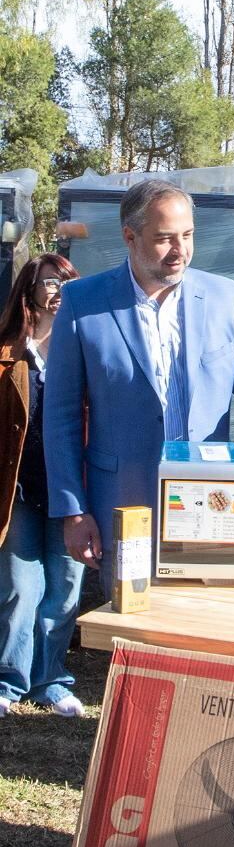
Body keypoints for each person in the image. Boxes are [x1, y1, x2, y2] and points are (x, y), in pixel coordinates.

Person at [44, 179, 234, 586]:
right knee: (129, 624)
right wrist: (73, 510)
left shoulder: (224, 297)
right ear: (130, 236)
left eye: (188, 235)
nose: (181, 251)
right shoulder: (83, 303)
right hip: (123, 503)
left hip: (212, 502)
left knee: (199, 625)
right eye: (164, 239)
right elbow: (61, 415)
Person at [0, 253, 87, 718]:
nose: (59, 291)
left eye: (67, 283)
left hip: (72, 492)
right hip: (19, 491)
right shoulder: (6, 352)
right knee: (19, 588)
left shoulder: (85, 347)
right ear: (30, 289)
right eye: (50, 282)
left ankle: (51, 681)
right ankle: (8, 681)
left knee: (64, 590)